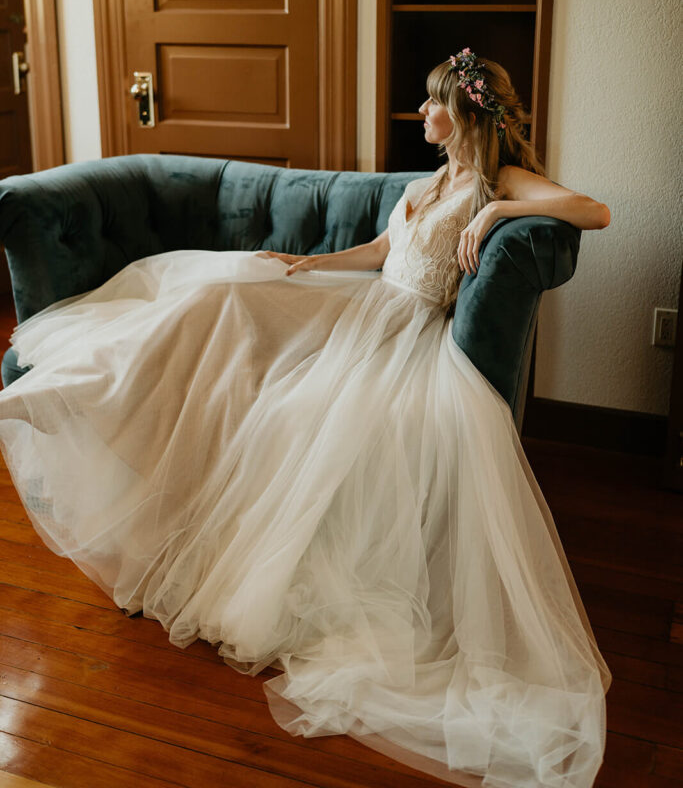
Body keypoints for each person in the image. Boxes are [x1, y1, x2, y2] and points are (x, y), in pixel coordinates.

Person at [0, 48, 612, 788]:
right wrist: (307, 264)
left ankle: (75, 394)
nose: (421, 113)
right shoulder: (426, 180)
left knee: (237, 327)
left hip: (400, 337)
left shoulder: (496, 180)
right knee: (222, 289)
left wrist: (501, 209)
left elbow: (593, 210)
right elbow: (386, 251)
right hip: (354, 306)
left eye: (431, 103)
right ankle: (78, 387)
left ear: (466, 112)